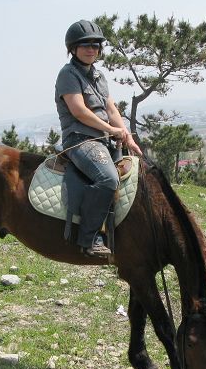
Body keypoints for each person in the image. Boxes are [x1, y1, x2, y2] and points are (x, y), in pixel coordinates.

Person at [55, 19, 142, 257]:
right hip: (80, 140)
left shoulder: (98, 76)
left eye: (95, 45)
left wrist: (127, 135)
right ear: (73, 48)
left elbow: (112, 110)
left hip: (104, 140)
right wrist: (110, 129)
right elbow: (79, 111)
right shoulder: (68, 74)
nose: (91, 49)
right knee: (107, 179)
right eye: (85, 45)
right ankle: (89, 238)